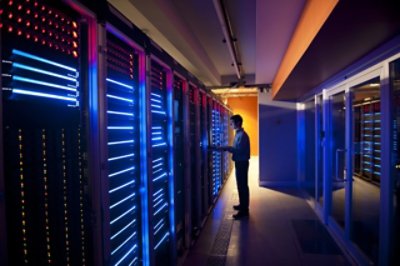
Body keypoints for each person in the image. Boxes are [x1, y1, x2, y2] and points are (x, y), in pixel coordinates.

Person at [211, 114, 250, 219]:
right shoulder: (238, 134)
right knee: (241, 185)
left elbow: (238, 150)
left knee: (242, 186)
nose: (230, 125)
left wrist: (225, 148)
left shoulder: (241, 136)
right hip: (240, 162)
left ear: (238, 123)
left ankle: (244, 211)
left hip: (242, 163)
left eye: (232, 123)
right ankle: (242, 205)